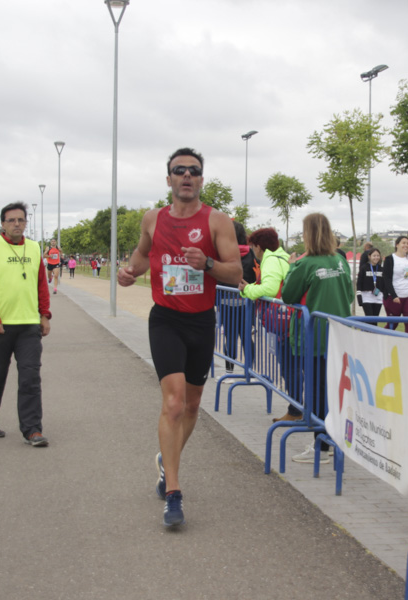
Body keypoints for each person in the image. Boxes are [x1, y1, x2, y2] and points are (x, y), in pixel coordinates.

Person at [117, 147, 241, 528]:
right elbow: (141, 255)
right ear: (168, 179)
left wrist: (206, 264)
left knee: (191, 405)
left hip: (201, 321)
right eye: (179, 170)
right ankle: (173, 491)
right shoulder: (152, 219)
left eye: (194, 171)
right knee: (173, 403)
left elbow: (235, 273)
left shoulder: (218, 221)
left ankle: (164, 460)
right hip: (165, 319)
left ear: (201, 179)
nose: (186, 176)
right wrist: (129, 272)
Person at [0, 202, 52, 447]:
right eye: (11, 220)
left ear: (26, 222)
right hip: (0, 326)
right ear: (3, 224)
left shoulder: (34, 248)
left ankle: (32, 430)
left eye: (21, 219)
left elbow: (41, 283)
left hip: (28, 325)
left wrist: (44, 315)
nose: (17, 224)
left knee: (30, 377)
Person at [280, 213, 353, 464]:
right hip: (338, 333)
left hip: (314, 337)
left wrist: (291, 267)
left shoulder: (304, 263)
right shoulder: (340, 261)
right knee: (332, 390)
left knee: (318, 390)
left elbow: (288, 295)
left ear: (308, 234)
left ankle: (322, 446)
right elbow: (350, 296)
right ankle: (331, 441)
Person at [239, 227, 294, 421]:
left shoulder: (270, 259)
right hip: (290, 318)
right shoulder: (283, 257)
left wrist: (247, 291)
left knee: (289, 365)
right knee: (292, 364)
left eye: (253, 247)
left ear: (258, 246)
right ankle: (296, 408)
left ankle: (295, 410)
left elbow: (270, 289)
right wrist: (251, 288)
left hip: (283, 321)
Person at [221, 221, 258, 373]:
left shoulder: (224, 253)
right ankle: (249, 371)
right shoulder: (252, 253)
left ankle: (229, 371)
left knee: (230, 337)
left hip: (225, 299)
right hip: (246, 301)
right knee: (246, 337)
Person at [379, 235, 408, 334]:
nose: (406, 245)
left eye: (407, 243)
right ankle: (382, 341)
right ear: (397, 245)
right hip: (394, 297)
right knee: (393, 324)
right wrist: (393, 295)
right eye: (403, 243)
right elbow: (387, 278)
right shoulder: (390, 259)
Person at [356, 247, 384, 317]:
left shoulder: (381, 268)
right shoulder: (364, 268)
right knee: (369, 318)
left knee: (375, 319)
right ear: (369, 256)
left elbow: (384, 283)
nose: (376, 257)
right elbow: (359, 283)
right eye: (374, 256)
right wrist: (359, 296)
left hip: (378, 296)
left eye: (378, 256)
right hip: (366, 297)